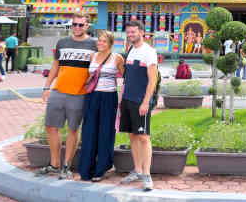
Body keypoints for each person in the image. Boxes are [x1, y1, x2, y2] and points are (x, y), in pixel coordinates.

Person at [38, 13, 97, 179]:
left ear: (87, 26)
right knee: (50, 127)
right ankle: (54, 163)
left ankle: (66, 166)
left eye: (81, 25)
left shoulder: (94, 45)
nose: (77, 27)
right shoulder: (62, 42)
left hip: (79, 94)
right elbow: (55, 65)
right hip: (59, 91)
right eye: (74, 24)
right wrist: (46, 87)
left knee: (73, 129)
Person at [118, 20, 159, 191]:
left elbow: (152, 80)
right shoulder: (131, 50)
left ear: (142, 32)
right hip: (127, 99)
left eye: (133, 32)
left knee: (143, 137)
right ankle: (137, 170)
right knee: (132, 136)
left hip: (140, 101)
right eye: (128, 32)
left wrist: (145, 102)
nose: (130, 35)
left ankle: (147, 175)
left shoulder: (149, 52)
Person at [78, 30, 124, 181]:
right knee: (89, 132)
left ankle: (101, 169)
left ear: (110, 43)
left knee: (105, 132)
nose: (100, 43)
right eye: (99, 40)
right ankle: (86, 169)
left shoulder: (117, 58)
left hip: (108, 97)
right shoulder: (92, 56)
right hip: (91, 97)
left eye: (104, 41)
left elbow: (125, 78)